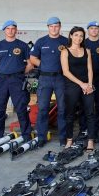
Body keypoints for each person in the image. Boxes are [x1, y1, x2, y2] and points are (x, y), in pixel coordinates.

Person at [0, 20, 33, 142]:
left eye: (13, 28)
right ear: (4, 30)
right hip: (2, 80)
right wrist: (4, 72)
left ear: (16, 30)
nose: (10, 31)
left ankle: (26, 135)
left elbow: (30, 64)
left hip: (17, 80)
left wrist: (19, 73)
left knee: (21, 109)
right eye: (8, 28)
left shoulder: (23, 45)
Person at [30, 17, 68, 147]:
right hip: (45, 79)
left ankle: (63, 138)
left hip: (61, 79)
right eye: (51, 26)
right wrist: (44, 64)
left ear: (60, 27)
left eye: (56, 26)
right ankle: (41, 137)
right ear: (48, 27)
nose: (54, 28)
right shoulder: (41, 41)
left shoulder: (66, 41)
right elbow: (33, 58)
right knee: (43, 109)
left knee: (63, 109)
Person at [61, 27, 96, 150]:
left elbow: (90, 69)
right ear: (71, 36)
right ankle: (69, 139)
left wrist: (90, 85)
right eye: (76, 35)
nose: (78, 38)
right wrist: (82, 84)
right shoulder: (65, 51)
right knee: (70, 114)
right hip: (72, 85)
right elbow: (65, 72)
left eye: (81, 35)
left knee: (90, 113)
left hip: (87, 85)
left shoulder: (87, 51)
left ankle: (90, 140)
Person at [80, 21, 99, 139]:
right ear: (88, 31)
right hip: (85, 79)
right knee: (84, 105)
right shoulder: (82, 44)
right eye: (91, 28)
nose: (94, 30)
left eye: (96, 28)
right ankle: (84, 130)